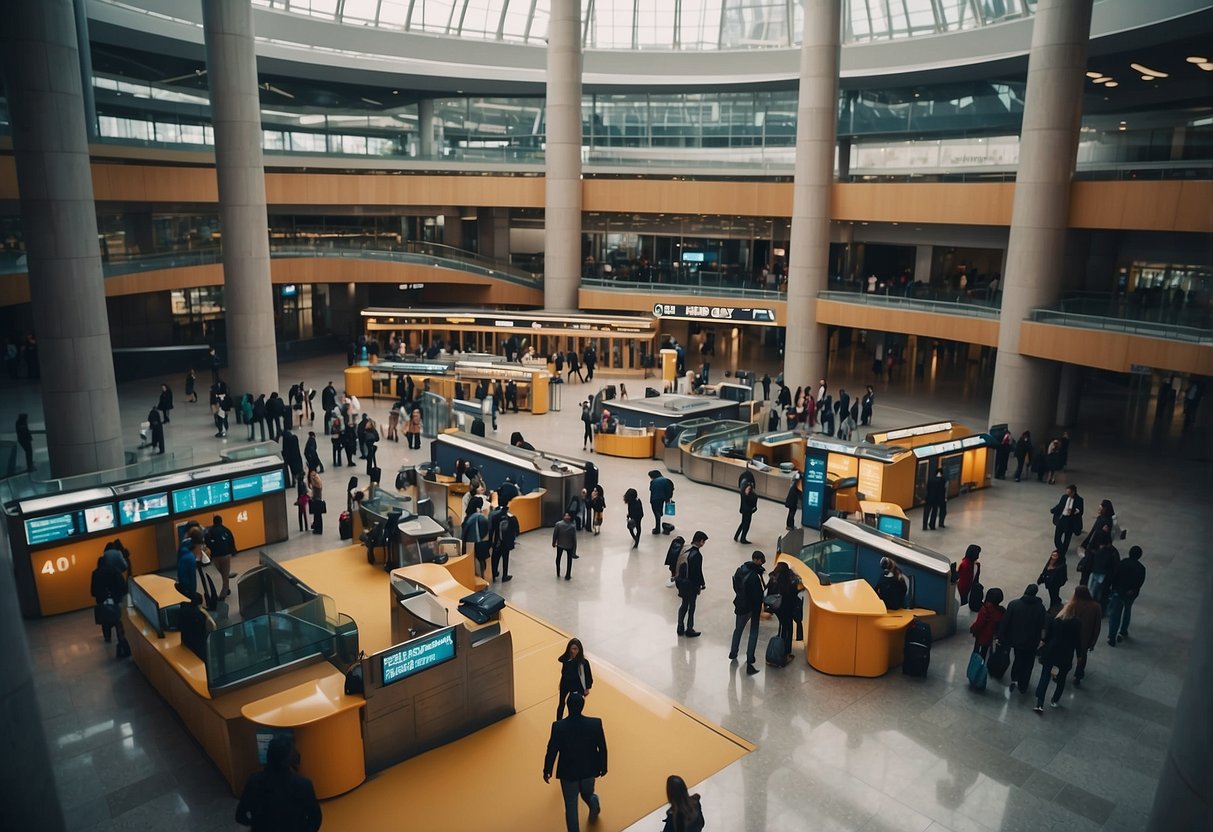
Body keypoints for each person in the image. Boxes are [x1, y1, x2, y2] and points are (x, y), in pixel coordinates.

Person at [542, 692, 606, 832]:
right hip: (589, 771)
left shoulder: (558, 727)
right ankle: (593, 803)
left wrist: (547, 770)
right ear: (582, 706)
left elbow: (552, 750)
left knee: (571, 806)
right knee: (587, 793)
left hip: (568, 773)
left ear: (567, 707)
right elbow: (602, 747)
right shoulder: (595, 723)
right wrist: (603, 766)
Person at [235, 734, 322, 832]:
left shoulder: (253, 781)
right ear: (288, 760)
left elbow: (240, 816)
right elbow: (315, 820)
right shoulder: (303, 785)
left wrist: (256, 824)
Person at [1033, 597, 1082, 713]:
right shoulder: (1077, 623)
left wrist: (1042, 644)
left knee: (1045, 676)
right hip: (1066, 653)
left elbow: (1048, 635)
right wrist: (1079, 655)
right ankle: (1055, 699)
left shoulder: (1057, 620)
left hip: (1052, 650)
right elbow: (1077, 641)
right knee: (1061, 678)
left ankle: (1040, 702)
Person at [999, 585, 1047, 694]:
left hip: (1017, 639)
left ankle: (1015, 677)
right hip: (1032, 641)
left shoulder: (1014, 604)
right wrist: (1042, 640)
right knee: (1028, 663)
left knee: (1018, 658)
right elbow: (1042, 625)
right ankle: (1023, 684)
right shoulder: (1040, 608)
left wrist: (1002, 636)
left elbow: (1006, 622)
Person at [729, 550, 766, 675]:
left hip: (740, 605)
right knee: (754, 633)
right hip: (752, 608)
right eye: (760, 561)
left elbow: (735, 584)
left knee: (738, 629)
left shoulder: (741, 569)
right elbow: (757, 596)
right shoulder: (754, 577)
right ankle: (750, 658)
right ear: (756, 559)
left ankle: (733, 652)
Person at [1106, 545, 1146, 646]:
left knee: (1115, 614)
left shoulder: (1122, 563)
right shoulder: (1141, 568)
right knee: (1127, 610)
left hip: (1119, 591)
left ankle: (1112, 636)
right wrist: (1132, 590)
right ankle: (1123, 630)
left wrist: (1113, 587)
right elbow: (1140, 582)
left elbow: (1115, 576)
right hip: (1130, 594)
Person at [674, 532, 708, 637]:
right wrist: (702, 584)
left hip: (681, 582)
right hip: (691, 585)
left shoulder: (685, 549)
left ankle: (680, 627)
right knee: (691, 607)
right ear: (701, 541)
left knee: (684, 605)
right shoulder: (697, 555)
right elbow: (697, 572)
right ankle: (689, 629)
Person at [90, 554, 128, 645]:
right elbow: (121, 584)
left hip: (102, 601)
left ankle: (107, 637)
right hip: (115, 599)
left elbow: (93, 591)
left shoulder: (95, 573)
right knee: (118, 619)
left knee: (105, 620)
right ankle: (120, 637)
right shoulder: (114, 570)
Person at [767, 560, 798, 663]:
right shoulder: (790, 583)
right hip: (787, 610)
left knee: (782, 627)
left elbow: (769, 593)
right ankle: (785, 653)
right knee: (788, 629)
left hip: (777, 609)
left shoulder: (773, 579)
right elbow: (793, 596)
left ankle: (778, 648)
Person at [1070, 585, 1102, 686]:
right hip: (1085, 638)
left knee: (1068, 653)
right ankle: (1078, 675)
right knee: (1082, 657)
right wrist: (1093, 642)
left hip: (1072, 635)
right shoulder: (1096, 607)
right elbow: (1097, 627)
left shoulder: (1073, 604)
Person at [556, 638, 593, 720]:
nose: (574, 651)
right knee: (561, 704)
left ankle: (574, 720)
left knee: (576, 705)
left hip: (577, 686)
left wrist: (587, 688)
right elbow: (562, 668)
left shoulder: (583, 662)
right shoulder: (566, 660)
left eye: (576, 649)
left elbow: (588, 676)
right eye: (573, 649)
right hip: (565, 684)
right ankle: (558, 721)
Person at [204, 514, 237, 600]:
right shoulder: (226, 530)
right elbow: (231, 540)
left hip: (215, 556)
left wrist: (212, 549)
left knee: (222, 572)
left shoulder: (210, 531)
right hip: (226, 555)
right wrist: (233, 551)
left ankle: (223, 594)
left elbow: (207, 541)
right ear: (221, 521)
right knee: (224, 573)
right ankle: (227, 582)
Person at [969, 587, 1005, 659]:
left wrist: (972, 629)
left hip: (982, 637)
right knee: (984, 654)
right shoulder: (1001, 611)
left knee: (977, 656)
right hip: (991, 637)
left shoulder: (985, 609)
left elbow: (979, 624)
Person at [1050, 484, 1084, 557]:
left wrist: (1074, 510)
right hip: (1062, 519)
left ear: (1073, 492)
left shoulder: (1079, 500)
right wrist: (1053, 510)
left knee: (1067, 538)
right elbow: (1060, 506)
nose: (1067, 494)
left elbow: (1080, 511)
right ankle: (1060, 548)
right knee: (1057, 537)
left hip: (1070, 521)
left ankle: (1062, 552)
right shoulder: (1064, 497)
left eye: (1069, 493)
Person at [1087, 533, 1120, 609]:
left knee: (1095, 593)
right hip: (1105, 577)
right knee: (1101, 595)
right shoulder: (1112, 553)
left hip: (1099, 575)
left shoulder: (1102, 552)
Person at [490, 503, 520, 582]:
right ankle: (504, 576)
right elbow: (517, 531)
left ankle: (494, 574)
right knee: (505, 559)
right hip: (507, 543)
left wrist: (490, 542)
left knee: (495, 559)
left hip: (497, 542)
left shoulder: (495, 517)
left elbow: (491, 531)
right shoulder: (512, 518)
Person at [462, 496, 491, 578]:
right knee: (481, 562)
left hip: (468, 543)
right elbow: (486, 528)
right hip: (479, 543)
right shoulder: (479, 517)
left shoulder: (467, 517)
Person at [177, 527, 204, 599]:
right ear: (198, 544)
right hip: (187, 591)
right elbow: (192, 579)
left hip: (182, 586)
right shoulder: (190, 559)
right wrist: (193, 595)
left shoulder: (184, 547)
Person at [553, 511, 578, 580]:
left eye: (568, 516)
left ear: (570, 517)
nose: (566, 517)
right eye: (565, 515)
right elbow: (555, 534)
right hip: (564, 545)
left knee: (566, 560)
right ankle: (561, 573)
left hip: (566, 545)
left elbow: (574, 538)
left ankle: (567, 574)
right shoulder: (559, 524)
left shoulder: (571, 526)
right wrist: (554, 542)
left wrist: (574, 550)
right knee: (560, 559)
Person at [648, 469, 675, 534]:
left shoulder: (653, 482)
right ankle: (666, 528)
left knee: (657, 513)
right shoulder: (667, 480)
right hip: (664, 498)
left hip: (655, 499)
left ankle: (657, 529)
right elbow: (671, 489)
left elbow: (651, 489)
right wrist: (669, 498)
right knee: (662, 511)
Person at [308, 469, 324, 535]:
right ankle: (317, 528)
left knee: (317, 516)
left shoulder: (316, 483)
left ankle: (318, 530)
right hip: (317, 499)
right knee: (317, 516)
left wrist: (312, 479)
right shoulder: (317, 482)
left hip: (317, 500)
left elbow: (315, 488)